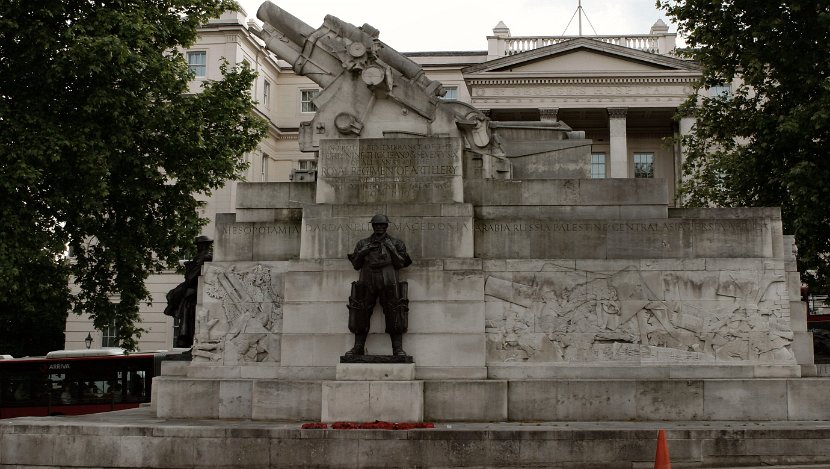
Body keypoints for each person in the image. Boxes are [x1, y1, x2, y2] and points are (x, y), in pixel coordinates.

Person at [345, 214, 412, 356]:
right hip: (367, 278)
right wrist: (362, 253)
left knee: (395, 311)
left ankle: (397, 348)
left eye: (382, 225)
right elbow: (356, 265)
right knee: (360, 311)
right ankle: (358, 347)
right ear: (372, 226)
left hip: (388, 279)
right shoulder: (363, 243)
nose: (379, 227)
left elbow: (400, 264)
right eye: (376, 225)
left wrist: (391, 249)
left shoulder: (397, 243)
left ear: (387, 226)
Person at [164, 235, 213, 347]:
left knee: (185, 308)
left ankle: (185, 338)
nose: (198, 247)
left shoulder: (205, 257)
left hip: (196, 288)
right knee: (180, 303)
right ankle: (185, 337)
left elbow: (191, 276)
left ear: (204, 245)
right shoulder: (201, 257)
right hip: (193, 288)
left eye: (199, 245)